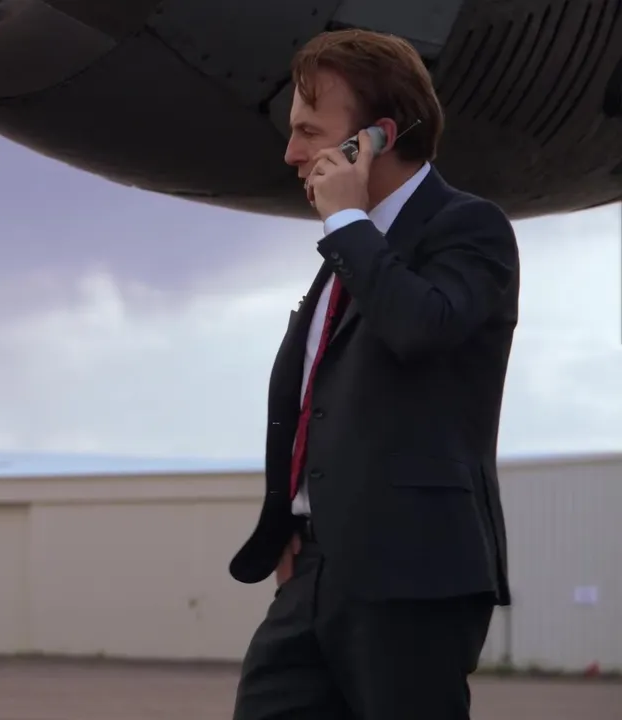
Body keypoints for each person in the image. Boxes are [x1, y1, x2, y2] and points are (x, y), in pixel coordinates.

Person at [229, 29, 518, 720]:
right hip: (313, 571)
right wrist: (294, 521)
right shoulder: (348, 251)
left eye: (309, 132)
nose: (291, 153)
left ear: (376, 138)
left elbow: (422, 327)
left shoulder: (468, 228)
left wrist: (350, 222)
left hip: (413, 570)